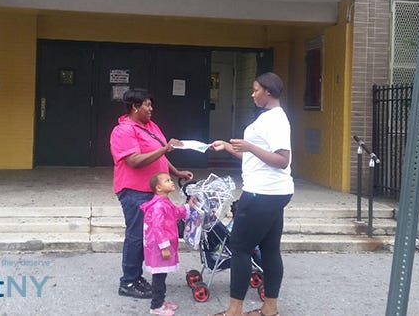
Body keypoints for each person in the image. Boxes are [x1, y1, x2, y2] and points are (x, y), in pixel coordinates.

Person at [209, 72, 293, 316]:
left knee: (240, 248)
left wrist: (249, 146)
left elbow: (282, 160)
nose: (252, 94)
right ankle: (270, 309)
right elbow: (255, 159)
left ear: (268, 91)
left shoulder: (275, 120)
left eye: (256, 90)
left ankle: (234, 311)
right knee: (270, 248)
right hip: (273, 193)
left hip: (261, 194)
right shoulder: (268, 117)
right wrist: (228, 147)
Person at [110, 88, 194, 299]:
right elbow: (134, 161)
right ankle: (128, 282)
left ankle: (136, 277)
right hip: (134, 191)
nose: (151, 109)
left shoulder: (150, 126)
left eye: (151, 105)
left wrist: (176, 172)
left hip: (153, 192)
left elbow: (159, 155)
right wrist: (164, 149)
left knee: (146, 237)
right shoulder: (123, 131)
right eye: (147, 105)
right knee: (136, 236)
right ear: (134, 107)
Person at [140, 172, 196, 315]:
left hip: (161, 245)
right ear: (158, 188)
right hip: (158, 247)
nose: (171, 182)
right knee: (159, 277)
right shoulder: (159, 206)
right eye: (167, 180)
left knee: (161, 275)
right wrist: (164, 247)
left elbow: (175, 212)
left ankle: (160, 301)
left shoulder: (165, 202)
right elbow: (157, 228)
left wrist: (188, 206)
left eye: (170, 180)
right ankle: (156, 306)